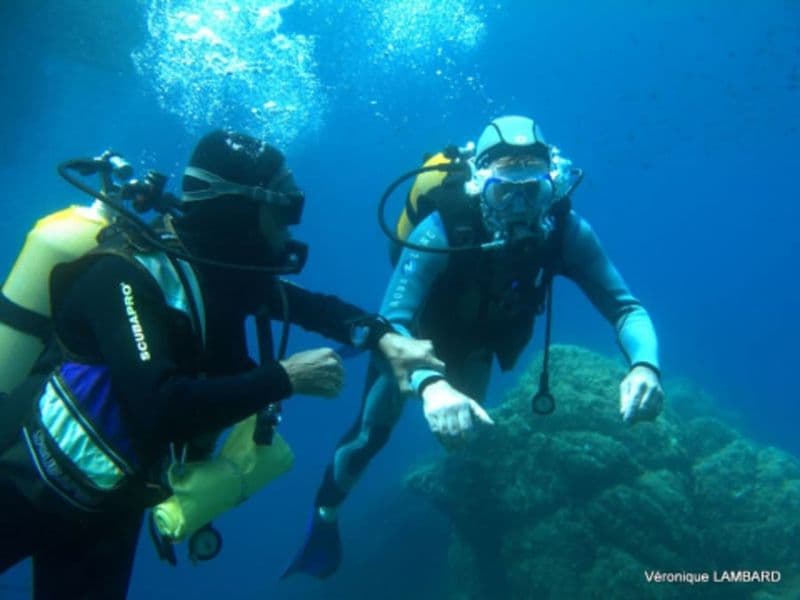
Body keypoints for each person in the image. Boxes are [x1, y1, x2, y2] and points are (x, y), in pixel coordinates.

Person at [0, 129, 443, 599]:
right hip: (25, 484)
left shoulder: (215, 275)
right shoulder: (124, 277)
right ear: (238, 213)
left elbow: (310, 306)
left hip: (112, 507)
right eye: (285, 210)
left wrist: (383, 338)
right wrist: (284, 378)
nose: (291, 228)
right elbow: (162, 405)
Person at [285, 115, 665, 578]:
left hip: (483, 342)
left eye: (535, 190)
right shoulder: (440, 230)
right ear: (479, 188)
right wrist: (430, 385)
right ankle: (326, 513)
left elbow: (625, 307)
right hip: (415, 345)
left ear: (554, 185)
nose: (522, 207)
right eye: (505, 191)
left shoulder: (566, 231)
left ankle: (460, 512)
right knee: (372, 433)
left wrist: (645, 366)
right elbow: (393, 322)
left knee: (463, 439)